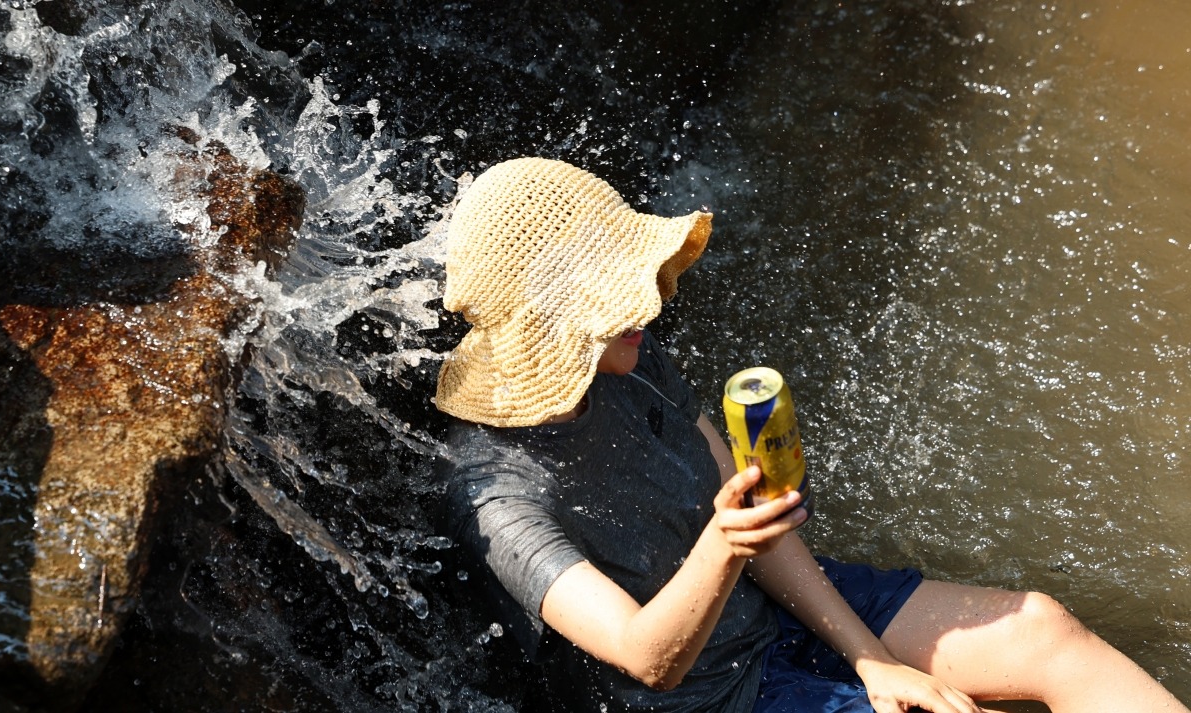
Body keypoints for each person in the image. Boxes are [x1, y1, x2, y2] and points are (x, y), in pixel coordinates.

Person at [434, 157, 1188, 713]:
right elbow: (645, 658)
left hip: (770, 612)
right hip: (708, 700)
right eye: (616, 292)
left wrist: (872, 657)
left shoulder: (626, 360)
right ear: (549, 318)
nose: (649, 305)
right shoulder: (496, 497)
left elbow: (750, 522)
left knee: (1042, 631)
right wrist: (726, 541)